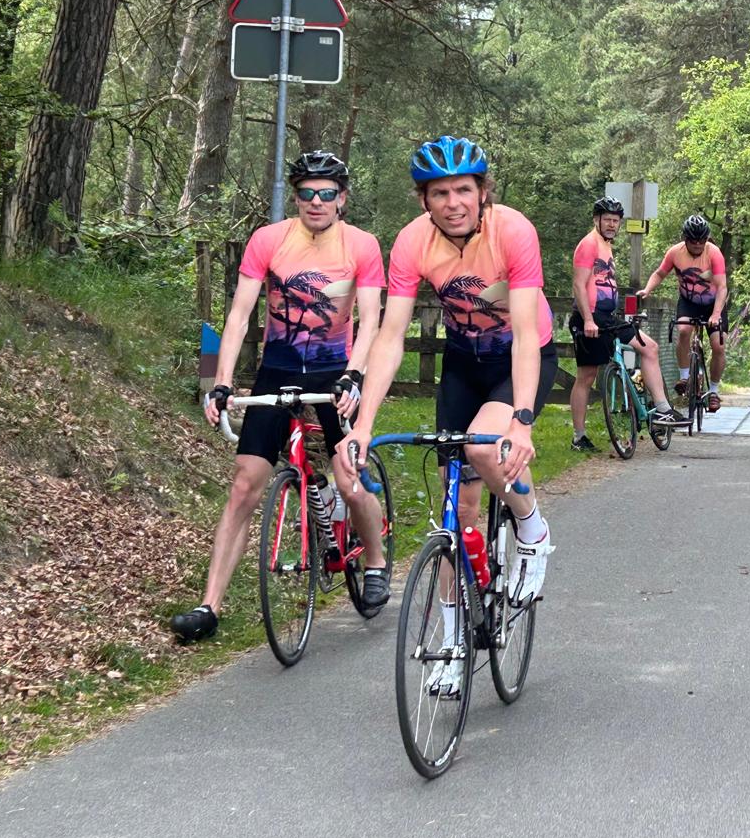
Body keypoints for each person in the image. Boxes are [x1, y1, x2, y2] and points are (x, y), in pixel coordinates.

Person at [334, 137, 558, 698]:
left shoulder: (513, 231)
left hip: (519, 357)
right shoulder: (413, 242)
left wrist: (522, 423)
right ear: (424, 200)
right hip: (463, 363)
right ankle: (454, 642)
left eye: (463, 190)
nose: (453, 202)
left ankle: (532, 530)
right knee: (457, 510)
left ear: (483, 193)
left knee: (485, 445)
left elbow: (525, 333)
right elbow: (390, 336)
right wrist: (362, 426)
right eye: (440, 193)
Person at [174, 151, 389, 643]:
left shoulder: (361, 244)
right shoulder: (269, 240)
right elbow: (239, 314)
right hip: (277, 369)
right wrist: (223, 381)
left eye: (327, 193)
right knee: (244, 484)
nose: (317, 201)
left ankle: (375, 562)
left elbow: (372, 319)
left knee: (348, 476)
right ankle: (209, 606)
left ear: (342, 198)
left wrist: (355, 375)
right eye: (307, 192)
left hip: (336, 370)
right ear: (295, 197)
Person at [567, 197, 679, 451]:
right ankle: (578, 437)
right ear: (596, 220)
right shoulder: (588, 244)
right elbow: (578, 284)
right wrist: (587, 319)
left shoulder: (606, 246)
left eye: (615, 221)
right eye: (607, 219)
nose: (611, 224)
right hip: (590, 317)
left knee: (649, 347)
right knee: (586, 376)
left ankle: (662, 409)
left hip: (608, 317)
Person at [635, 213, 729, 413]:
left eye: (701, 241)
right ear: (685, 239)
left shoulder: (714, 253)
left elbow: (722, 287)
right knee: (684, 330)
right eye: (693, 241)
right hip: (688, 301)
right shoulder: (675, 252)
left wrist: (715, 314)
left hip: (714, 303)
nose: (698, 245)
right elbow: (660, 273)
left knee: (718, 345)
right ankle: (685, 377)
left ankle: (713, 391)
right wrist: (647, 290)